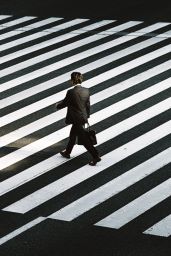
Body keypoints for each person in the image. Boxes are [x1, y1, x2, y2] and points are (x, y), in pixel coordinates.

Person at [56, 72, 101, 166]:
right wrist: (86, 117)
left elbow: (65, 103)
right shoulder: (86, 90)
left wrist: (57, 105)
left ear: (72, 80)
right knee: (73, 135)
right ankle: (67, 152)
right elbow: (88, 105)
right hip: (82, 117)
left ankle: (95, 156)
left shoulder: (71, 92)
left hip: (75, 118)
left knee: (84, 140)